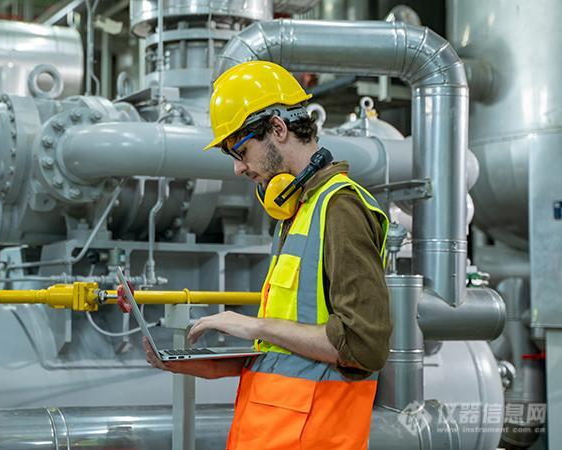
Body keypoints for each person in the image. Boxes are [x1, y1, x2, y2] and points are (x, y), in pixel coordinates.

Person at [142, 60, 393, 449]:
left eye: (241, 151)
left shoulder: (340, 208)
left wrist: (254, 326)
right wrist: (197, 364)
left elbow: (364, 346)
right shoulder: (296, 213)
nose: (240, 169)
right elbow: (287, 354)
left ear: (278, 128)